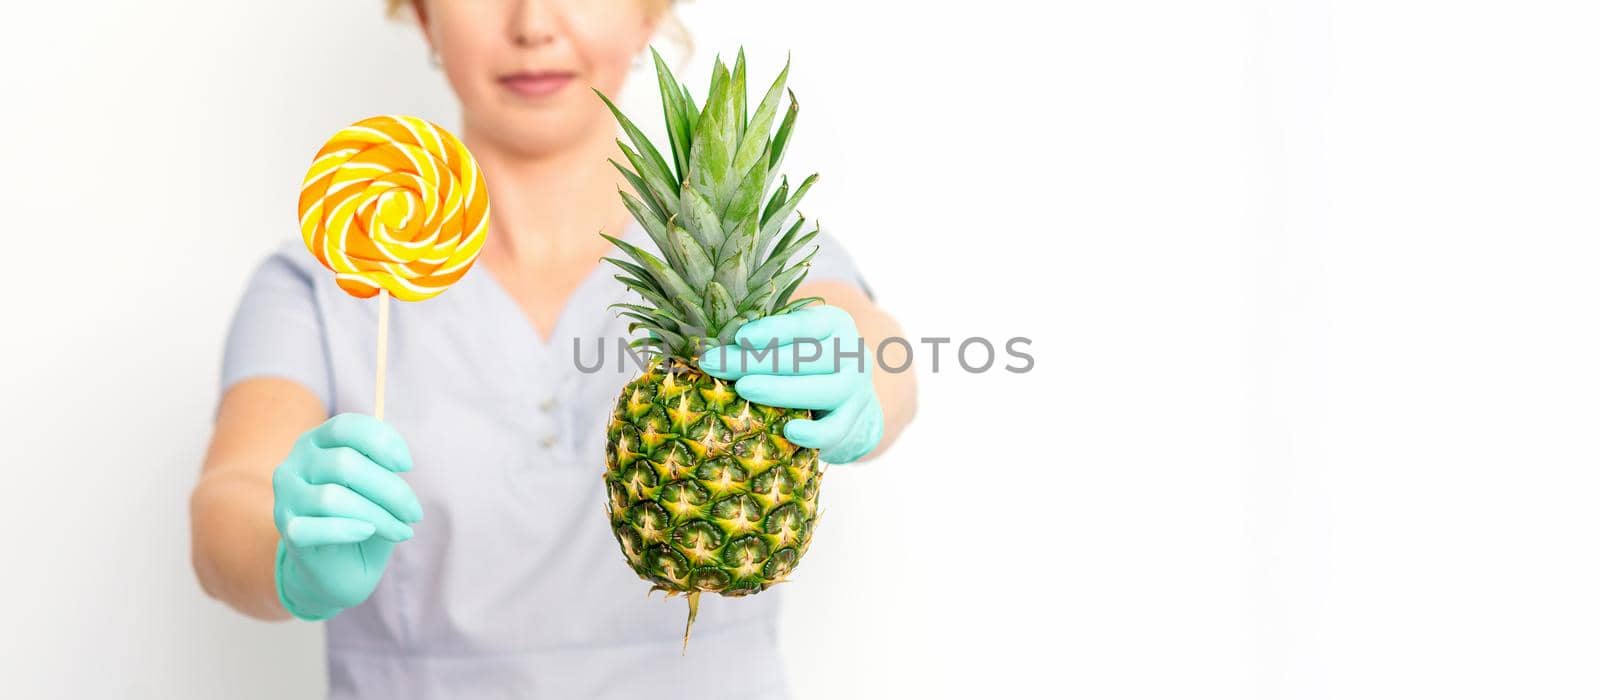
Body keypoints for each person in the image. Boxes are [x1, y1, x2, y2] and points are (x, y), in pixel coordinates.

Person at [187, 1, 918, 697]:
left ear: (649, 13)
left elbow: (884, 357)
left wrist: (860, 373)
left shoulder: (756, 263)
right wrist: (291, 558)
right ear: (421, 13)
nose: (532, 24)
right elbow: (229, 504)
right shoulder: (329, 277)